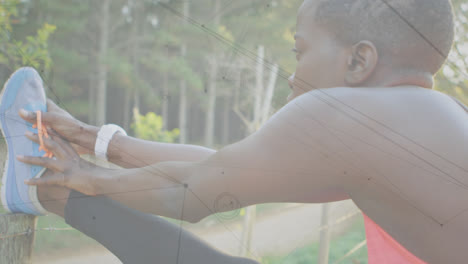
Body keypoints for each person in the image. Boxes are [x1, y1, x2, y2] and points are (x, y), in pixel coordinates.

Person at [1, 0, 466, 263]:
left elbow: (190, 193)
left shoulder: (348, 113)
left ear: (359, 61)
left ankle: (45, 192)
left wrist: (80, 175)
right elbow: (225, 165)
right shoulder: (426, 118)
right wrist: (97, 139)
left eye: (300, 50)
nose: (292, 72)